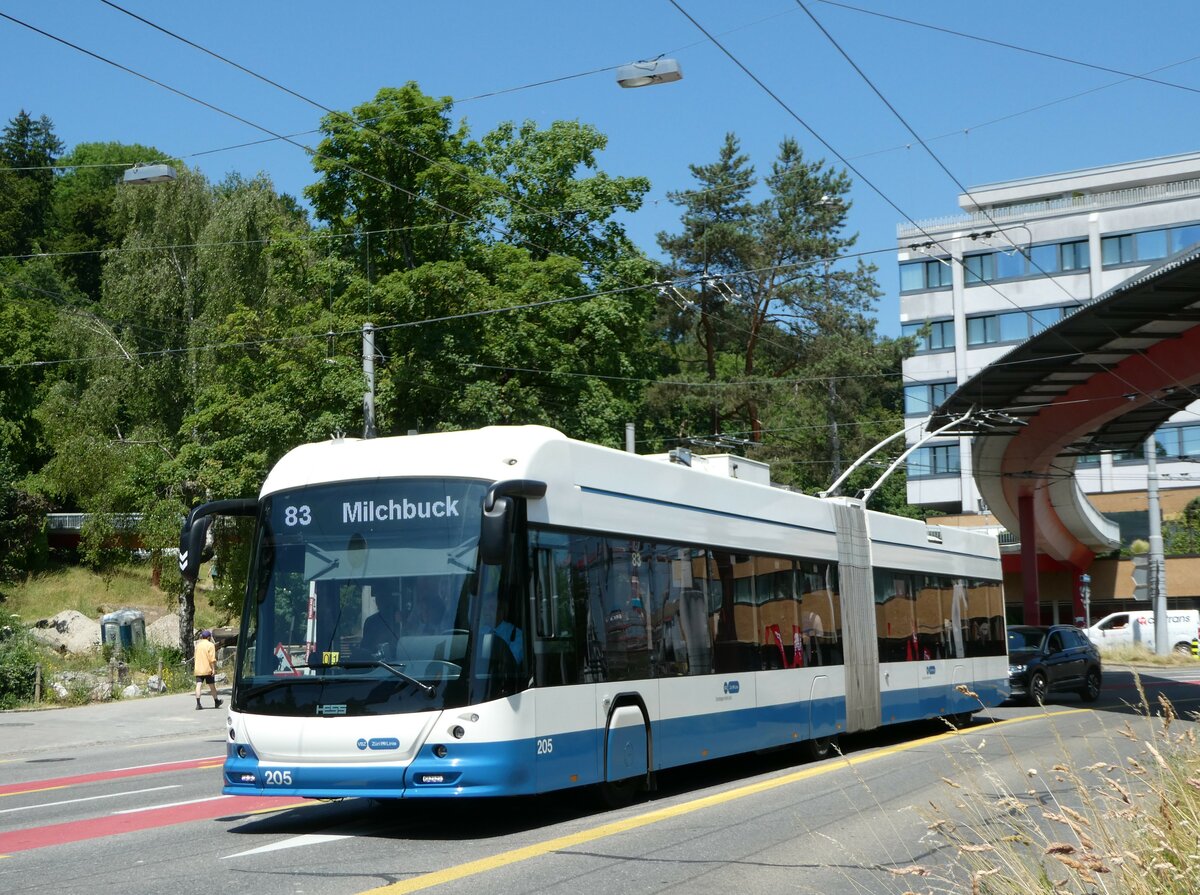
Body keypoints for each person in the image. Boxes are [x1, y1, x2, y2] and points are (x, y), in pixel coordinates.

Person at [361, 590, 401, 656]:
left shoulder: (401, 619)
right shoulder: (371, 622)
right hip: (375, 663)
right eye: (380, 600)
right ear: (377, 602)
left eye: (385, 599)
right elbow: (365, 647)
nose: (382, 603)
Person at [194, 630, 222, 710]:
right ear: (209, 637)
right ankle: (216, 701)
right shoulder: (210, 645)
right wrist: (213, 669)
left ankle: (198, 703)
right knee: (212, 685)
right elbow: (212, 659)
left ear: (202, 637)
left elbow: (195, 657)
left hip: (199, 668)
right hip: (208, 668)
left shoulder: (198, 645)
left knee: (198, 685)